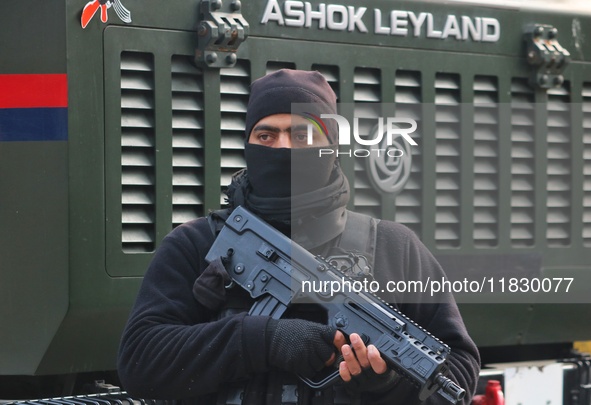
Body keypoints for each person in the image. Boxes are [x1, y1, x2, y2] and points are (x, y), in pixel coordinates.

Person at [117, 69, 480, 404]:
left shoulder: (392, 247)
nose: (284, 148)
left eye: (303, 134)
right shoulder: (197, 243)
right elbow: (140, 361)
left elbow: (457, 376)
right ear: (247, 144)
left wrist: (385, 382)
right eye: (266, 134)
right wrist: (264, 340)